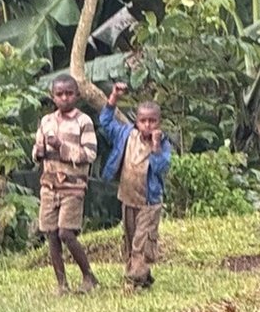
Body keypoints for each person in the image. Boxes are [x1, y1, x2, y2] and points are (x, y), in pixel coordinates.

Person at [99, 82, 172, 290]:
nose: (148, 125)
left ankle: (133, 280)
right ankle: (142, 277)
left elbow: (160, 168)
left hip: (149, 202)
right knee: (131, 240)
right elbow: (105, 122)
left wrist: (156, 146)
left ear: (159, 122)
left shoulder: (163, 144)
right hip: (128, 197)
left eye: (152, 121)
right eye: (143, 121)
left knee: (142, 241)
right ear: (136, 121)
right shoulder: (126, 135)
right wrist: (114, 97)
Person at [33, 72, 99, 294]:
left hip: (73, 186)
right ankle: (62, 284)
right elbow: (37, 150)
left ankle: (88, 275)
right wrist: (38, 152)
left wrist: (61, 147)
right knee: (51, 233)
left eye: (69, 93)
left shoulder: (83, 121)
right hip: (49, 185)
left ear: (77, 95)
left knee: (66, 233)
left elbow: (90, 154)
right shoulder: (46, 121)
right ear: (52, 96)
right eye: (60, 94)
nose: (64, 98)